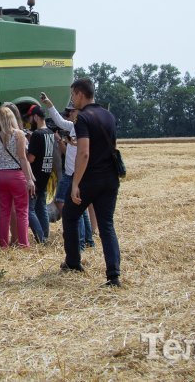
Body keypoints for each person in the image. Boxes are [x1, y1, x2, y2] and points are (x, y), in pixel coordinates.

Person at [61, 77, 122, 287]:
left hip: (90, 179)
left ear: (80, 94)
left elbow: (84, 153)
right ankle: (113, 275)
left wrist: (75, 183)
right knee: (107, 226)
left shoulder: (83, 118)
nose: (72, 99)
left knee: (70, 216)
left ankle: (73, 262)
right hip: (110, 178)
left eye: (73, 95)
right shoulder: (109, 115)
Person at [40, 95, 95, 252]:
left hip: (76, 174)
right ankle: (88, 240)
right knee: (80, 208)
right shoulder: (73, 126)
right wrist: (49, 104)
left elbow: (85, 151)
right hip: (71, 173)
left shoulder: (84, 128)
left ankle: (81, 243)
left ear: (79, 112)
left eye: (72, 111)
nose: (69, 114)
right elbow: (59, 120)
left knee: (68, 204)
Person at [0, 104, 36, 249]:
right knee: (22, 211)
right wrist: (29, 179)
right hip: (17, 176)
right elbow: (22, 158)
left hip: (1, 176)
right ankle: (23, 243)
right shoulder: (19, 134)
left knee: (4, 212)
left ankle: (3, 243)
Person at [23, 103, 58, 244]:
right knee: (41, 207)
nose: (30, 120)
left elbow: (31, 158)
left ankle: (40, 237)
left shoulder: (37, 134)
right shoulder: (50, 133)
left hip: (35, 175)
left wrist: (23, 150)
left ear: (36, 117)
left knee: (29, 209)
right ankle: (45, 235)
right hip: (46, 173)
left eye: (31, 117)